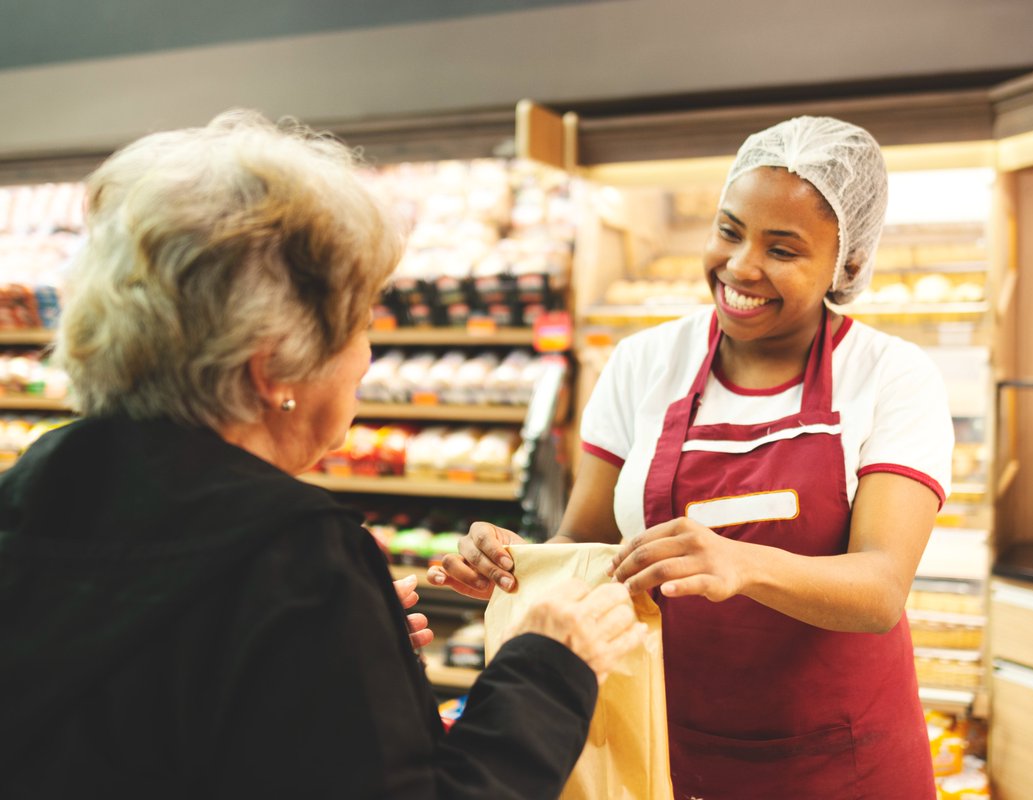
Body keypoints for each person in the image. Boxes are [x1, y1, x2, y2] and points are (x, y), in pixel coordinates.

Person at [0, 110, 646, 800]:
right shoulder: (293, 554)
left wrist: (337, 654)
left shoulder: (31, 487)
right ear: (273, 364)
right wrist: (547, 669)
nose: (367, 358)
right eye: (362, 325)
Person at [432, 116, 953, 799]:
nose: (740, 266)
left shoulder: (889, 376)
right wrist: (517, 564)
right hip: (660, 747)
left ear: (848, 264)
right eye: (730, 230)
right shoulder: (644, 363)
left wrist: (741, 562)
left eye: (784, 249)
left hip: (838, 762)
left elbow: (881, 589)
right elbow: (585, 547)